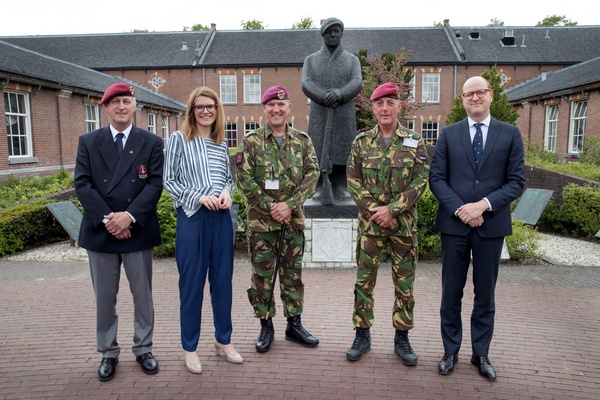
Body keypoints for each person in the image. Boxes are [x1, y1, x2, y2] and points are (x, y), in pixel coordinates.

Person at [429, 76, 525, 381]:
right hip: (455, 226)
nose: (474, 98)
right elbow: (437, 179)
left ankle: (480, 353)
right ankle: (450, 351)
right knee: (450, 293)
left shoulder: (510, 134)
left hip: (491, 226)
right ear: (462, 99)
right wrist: (461, 209)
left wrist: (482, 205)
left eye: (479, 92)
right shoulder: (448, 134)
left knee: (485, 294)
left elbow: (516, 181)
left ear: (490, 95)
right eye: (468, 94)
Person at [74, 82, 163, 382]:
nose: (122, 107)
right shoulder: (88, 141)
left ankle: (144, 348)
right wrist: (109, 219)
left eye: (126, 101)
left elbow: (155, 184)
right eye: (115, 103)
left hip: (137, 230)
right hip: (101, 232)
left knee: (143, 296)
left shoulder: (151, 141)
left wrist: (130, 217)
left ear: (134, 105)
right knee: (104, 297)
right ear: (106, 107)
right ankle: (108, 352)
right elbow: (82, 184)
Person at [345, 82, 430, 364]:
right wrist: (375, 210)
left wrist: (392, 210)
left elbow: (420, 181)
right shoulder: (361, 142)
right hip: (370, 227)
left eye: (390, 103)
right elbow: (353, 182)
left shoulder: (415, 141)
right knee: (363, 282)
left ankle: (402, 338)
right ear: (372, 108)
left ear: (399, 106)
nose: (385, 108)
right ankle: (362, 334)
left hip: (403, 227)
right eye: (379, 103)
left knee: (404, 284)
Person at [163, 86, 242, 374]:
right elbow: (169, 180)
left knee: (223, 283)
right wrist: (197, 196)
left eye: (211, 106)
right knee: (192, 287)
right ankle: (190, 348)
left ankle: (224, 341)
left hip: (221, 219)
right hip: (193, 218)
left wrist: (227, 193)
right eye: (200, 107)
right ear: (192, 111)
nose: (206, 111)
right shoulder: (178, 139)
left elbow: (228, 180)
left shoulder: (222, 142)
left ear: (217, 110)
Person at [236, 86, 320, 352]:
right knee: (261, 277)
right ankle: (265, 325)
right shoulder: (250, 142)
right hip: (262, 224)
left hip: (292, 223)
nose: (276, 109)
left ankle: (294, 324)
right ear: (264, 109)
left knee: (292, 276)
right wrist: (272, 206)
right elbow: (244, 180)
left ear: (289, 109)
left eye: (281, 105)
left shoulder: (303, 141)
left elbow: (312, 175)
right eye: (271, 105)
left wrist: (290, 206)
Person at [301, 17, 362, 205]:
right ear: (323, 35)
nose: (333, 34)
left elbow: (356, 81)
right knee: (319, 147)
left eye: (336, 31)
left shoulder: (352, 60)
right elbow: (306, 82)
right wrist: (322, 96)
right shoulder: (311, 60)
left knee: (343, 147)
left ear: (342, 34)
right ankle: (320, 186)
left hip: (343, 112)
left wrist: (340, 93)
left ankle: (341, 187)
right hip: (320, 112)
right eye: (329, 31)